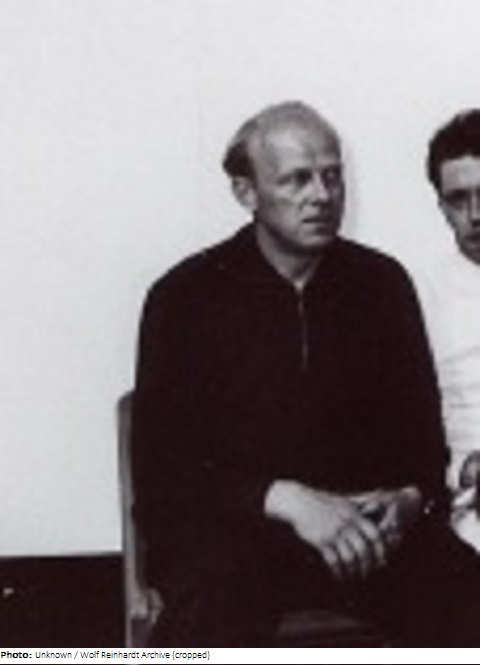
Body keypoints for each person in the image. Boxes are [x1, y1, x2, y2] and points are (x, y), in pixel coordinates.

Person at [131, 101, 480, 647]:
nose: (321, 195)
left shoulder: (381, 285)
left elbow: (423, 446)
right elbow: (162, 470)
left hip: (364, 540)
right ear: (246, 192)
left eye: (332, 176)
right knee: (208, 602)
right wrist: (288, 500)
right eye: (297, 179)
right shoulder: (185, 298)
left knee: (460, 590)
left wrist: (407, 500)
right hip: (236, 541)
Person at [415, 110, 480, 549]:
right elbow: (406, 430)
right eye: (458, 199)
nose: (476, 214)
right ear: (441, 207)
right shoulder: (419, 296)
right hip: (468, 503)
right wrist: (465, 470)